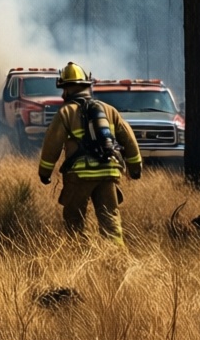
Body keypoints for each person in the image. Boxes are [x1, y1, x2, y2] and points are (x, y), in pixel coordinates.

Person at [36, 62, 141, 245]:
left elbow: (52, 145)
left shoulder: (65, 113)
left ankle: (79, 255)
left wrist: (45, 173)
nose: (62, 94)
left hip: (80, 175)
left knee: (74, 219)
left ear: (67, 89)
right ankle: (116, 258)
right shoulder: (109, 110)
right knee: (110, 221)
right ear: (87, 85)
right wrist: (135, 168)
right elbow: (130, 140)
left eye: (63, 89)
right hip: (109, 173)